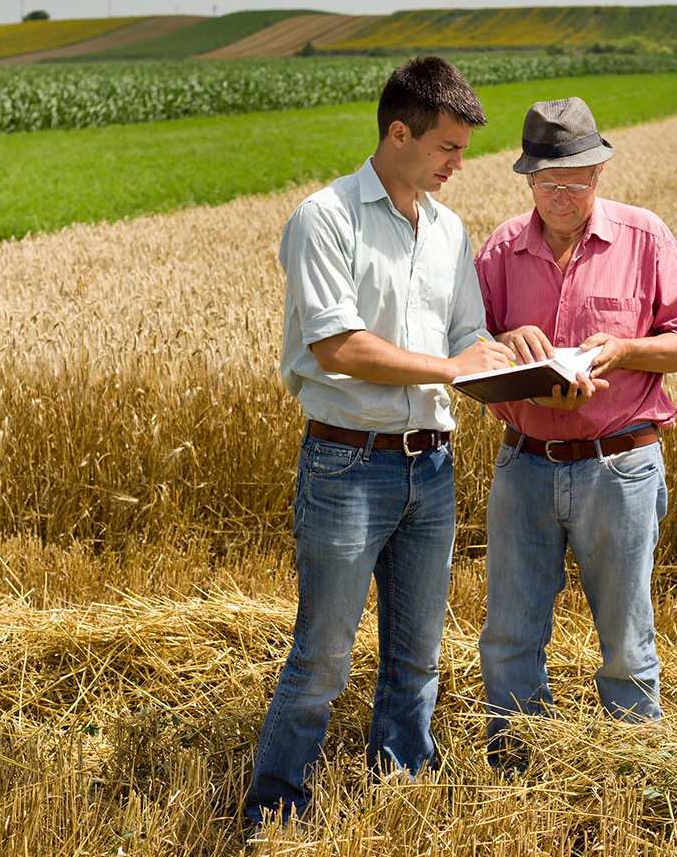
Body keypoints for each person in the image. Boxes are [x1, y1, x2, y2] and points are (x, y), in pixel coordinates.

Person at [244, 56, 513, 825]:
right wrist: (453, 366)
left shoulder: (450, 229)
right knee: (324, 655)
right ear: (399, 133)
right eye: (448, 148)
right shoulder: (324, 218)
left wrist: (502, 355)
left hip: (431, 465)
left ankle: (398, 793)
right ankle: (276, 811)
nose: (459, 164)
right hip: (346, 463)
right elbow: (339, 347)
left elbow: (465, 332)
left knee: (418, 654)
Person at [473, 96, 677, 767]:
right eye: (548, 182)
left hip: (620, 466)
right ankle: (516, 769)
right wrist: (501, 338)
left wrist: (624, 349)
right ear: (527, 179)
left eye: (575, 181)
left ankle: (635, 776)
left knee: (625, 637)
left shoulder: (644, 237)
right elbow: (460, 345)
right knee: (510, 634)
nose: (561, 195)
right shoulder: (499, 248)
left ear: (599, 173)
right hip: (523, 465)